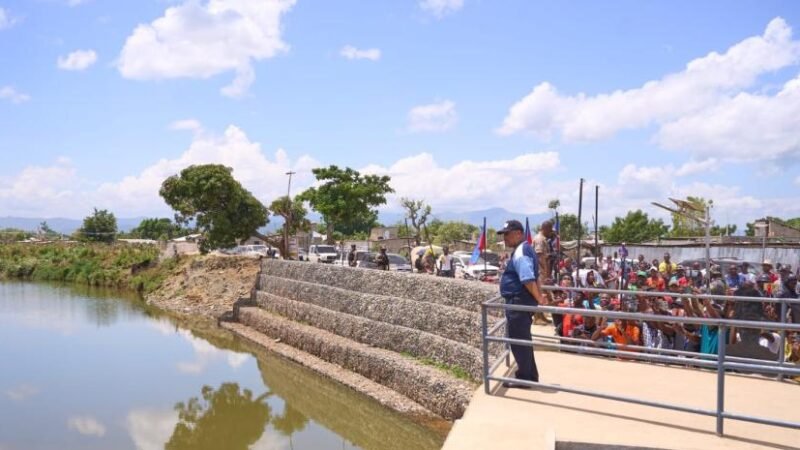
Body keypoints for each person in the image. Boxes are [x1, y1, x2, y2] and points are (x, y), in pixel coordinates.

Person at [497, 219, 548, 387]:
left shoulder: (521, 252)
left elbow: (527, 279)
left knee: (519, 340)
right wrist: (539, 295)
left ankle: (525, 378)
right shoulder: (526, 249)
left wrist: (539, 298)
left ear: (519, 233)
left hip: (518, 301)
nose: (505, 238)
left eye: (507, 234)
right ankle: (529, 374)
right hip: (521, 300)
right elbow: (535, 276)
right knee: (523, 339)